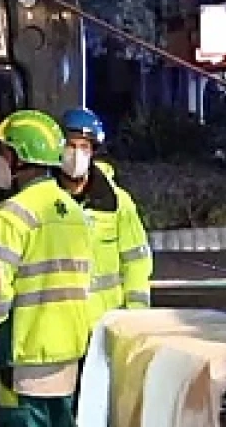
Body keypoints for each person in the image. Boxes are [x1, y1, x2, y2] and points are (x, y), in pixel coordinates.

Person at [0, 109, 99, 427]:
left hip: (24, 345)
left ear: (19, 159)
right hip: (68, 343)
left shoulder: (12, 215)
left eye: (4, 152)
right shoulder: (72, 211)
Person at [55, 108, 153, 317]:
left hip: (106, 324)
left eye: (84, 147)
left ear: (93, 152)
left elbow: (136, 263)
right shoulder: (45, 201)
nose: (77, 153)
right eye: (71, 145)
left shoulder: (118, 203)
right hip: (60, 329)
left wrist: (136, 316)